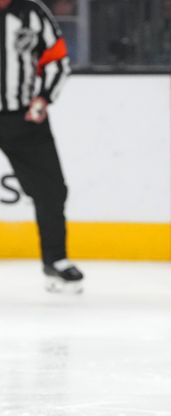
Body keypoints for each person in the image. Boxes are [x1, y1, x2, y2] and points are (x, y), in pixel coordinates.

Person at [0, 0, 82, 292]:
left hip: (23, 118)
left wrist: (44, 97)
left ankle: (55, 261)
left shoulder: (31, 12)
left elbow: (57, 57)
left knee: (51, 189)